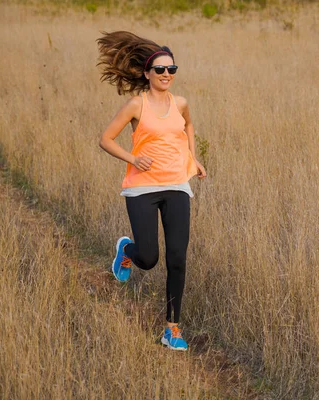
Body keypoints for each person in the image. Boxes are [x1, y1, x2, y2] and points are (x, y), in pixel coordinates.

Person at [96, 31, 206, 351]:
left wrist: (192, 159)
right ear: (147, 74)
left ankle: (172, 329)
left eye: (171, 70)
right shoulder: (135, 105)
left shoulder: (181, 103)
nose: (166, 75)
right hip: (142, 187)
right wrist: (132, 158)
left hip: (176, 186)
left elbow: (187, 127)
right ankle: (128, 252)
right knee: (149, 257)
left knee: (177, 259)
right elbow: (106, 139)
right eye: (160, 70)